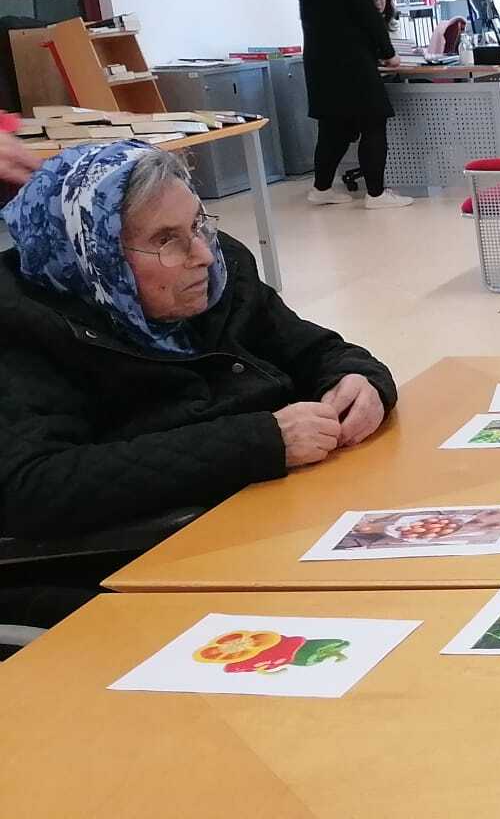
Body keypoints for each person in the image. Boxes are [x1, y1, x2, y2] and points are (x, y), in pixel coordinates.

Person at [0, 142, 397, 609]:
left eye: (197, 225)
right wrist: (261, 442)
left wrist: (360, 379)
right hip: (147, 569)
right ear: (94, 253)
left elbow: (315, 348)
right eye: (165, 240)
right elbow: (35, 486)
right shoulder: (25, 328)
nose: (202, 254)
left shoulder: (221, 275)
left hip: (276, 520)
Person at [296, 0, 411, 209]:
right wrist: (388, 54)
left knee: (332, 127)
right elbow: (369, 19)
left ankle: (321, 188)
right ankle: (376, 194)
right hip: (353, 64)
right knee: (373, 123)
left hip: (318, 63)